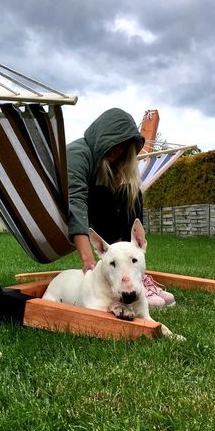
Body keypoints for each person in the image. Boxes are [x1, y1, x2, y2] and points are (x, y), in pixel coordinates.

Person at [67, 107, 174, 308]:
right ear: (103, 136)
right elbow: (75, 201)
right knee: (103, 194)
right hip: (65, 219)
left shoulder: (107, 164)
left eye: (124, 147)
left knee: (131, 193)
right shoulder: (77, 153)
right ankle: (126, 277)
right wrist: (88, 260)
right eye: (116, 143)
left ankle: (134, 276)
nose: (119, 151)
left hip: (91, 218)